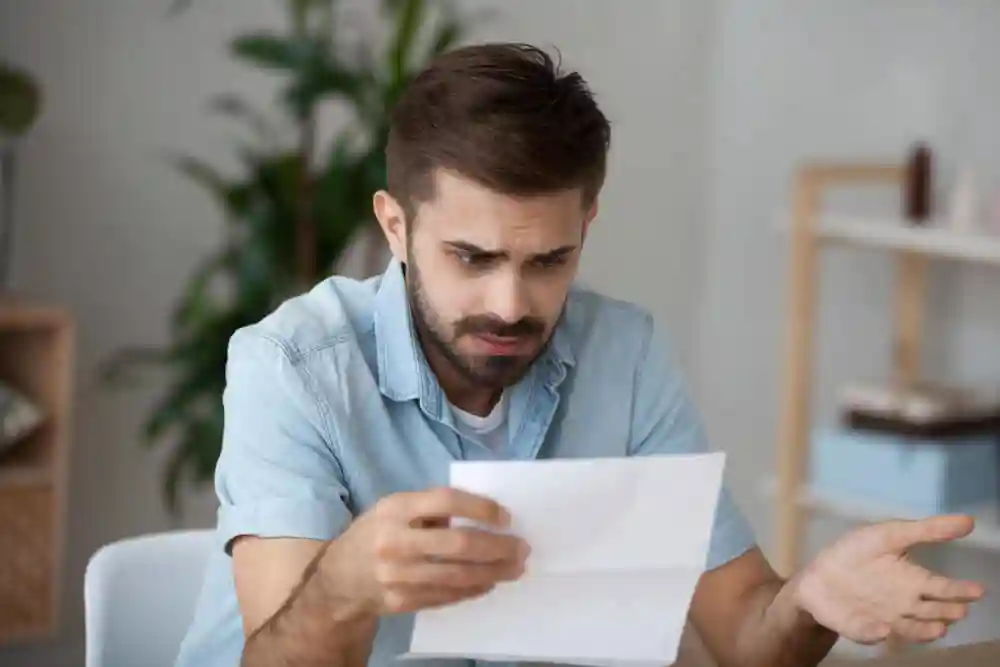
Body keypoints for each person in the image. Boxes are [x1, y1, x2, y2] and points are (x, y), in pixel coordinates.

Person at [174, 42, 985, 667]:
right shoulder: (292, 364)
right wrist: (346, 584)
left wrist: (810, 600)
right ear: (396, 227)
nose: (511, 305)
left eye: (548, 261)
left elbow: (747, 632)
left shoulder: (625, 354)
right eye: (472, 257)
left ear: (586, 225)